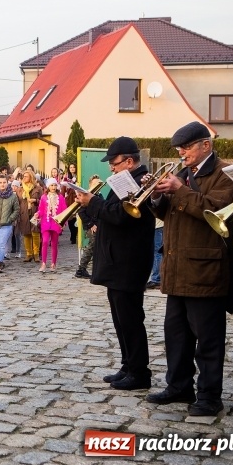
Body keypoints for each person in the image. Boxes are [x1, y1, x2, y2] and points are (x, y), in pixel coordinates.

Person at [145, 122, 233, 416]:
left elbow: (215, 211)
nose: (181, 153)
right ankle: (179, 386)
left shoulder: (226, 174)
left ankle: (210, 397)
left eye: (186, 147)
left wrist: (179, 190)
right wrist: (156, 196)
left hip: (205, 270)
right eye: (179, 148)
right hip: (177, 268)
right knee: (176, 336)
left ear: (205, 145)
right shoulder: (185, 174)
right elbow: (168, 213)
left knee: (208, 340)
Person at [76, 138, 155, 392]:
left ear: (129, 161)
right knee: (120, 318)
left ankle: (139, 372)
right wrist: (91, 205)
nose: (111, 167)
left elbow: (121, 215)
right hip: (117, 260)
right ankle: (128, 365)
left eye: (114, 162)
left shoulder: (140, 183)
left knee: (130, 318)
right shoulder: (123, 180)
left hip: (128, 261)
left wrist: (93, 202)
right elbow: (111, 210)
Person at [36, 178, 66, 273]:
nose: (53, 187)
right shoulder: (44, 197)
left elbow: (64, 211)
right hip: (46, 222)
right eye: (51, 185)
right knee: (45, 241)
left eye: (55, 185)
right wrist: (38, 214)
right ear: (48, 186)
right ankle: (43, 263)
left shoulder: (60, 197)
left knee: (54, 243)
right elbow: (41, 209)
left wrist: (64, 222)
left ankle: (53, 263)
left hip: (56, 223)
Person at [75, 174, 101, 279]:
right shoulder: (86, 196)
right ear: (90, 184)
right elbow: (81, 212)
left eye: (99, 183)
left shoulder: (99, 196)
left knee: (97, 248)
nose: (97, 185)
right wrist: (91, 224)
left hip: (99, 226)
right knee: (91, 247)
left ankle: (96, 269)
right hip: (91, 227)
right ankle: (81, 269)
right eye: (95, 183)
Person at [20, 171, 41, 263]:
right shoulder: (21, 189)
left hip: (35, 213)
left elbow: (43, 200)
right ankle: (28, 254)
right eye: (23, 176)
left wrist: (35, 200)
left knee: (35, 233)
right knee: (26, 233)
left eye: (26, 176)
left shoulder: (38, 188)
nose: (24, 178)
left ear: (31, 177)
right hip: (24, 213)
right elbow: (18, 201)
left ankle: (36, 254)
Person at [61, 163, 79, 244]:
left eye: (73, 167)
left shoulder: (78, 177)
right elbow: (63, 190)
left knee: (76, 218)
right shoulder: (66, 178)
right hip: (68, 201)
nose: (72, 168)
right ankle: (73, 235)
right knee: (70, 219)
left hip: (76, 199)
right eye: (70, 167)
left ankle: (75, 235)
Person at [146, 219, 164, 289]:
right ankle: (157, 279)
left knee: (157, 253)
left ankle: (156, 280)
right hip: (157, 226)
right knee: (157, 252)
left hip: (158, 227)